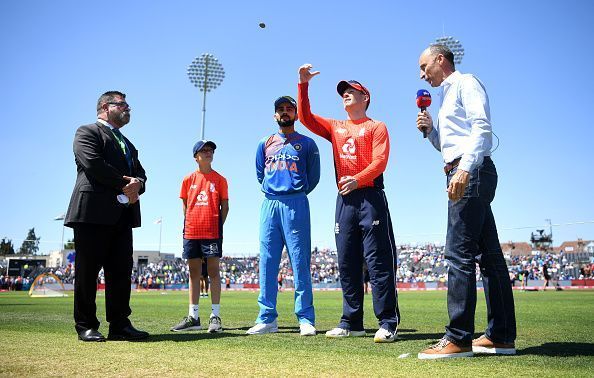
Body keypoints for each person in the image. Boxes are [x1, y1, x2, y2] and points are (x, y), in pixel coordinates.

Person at [415, 44, 516, 359]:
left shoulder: (466, 82)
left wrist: (463, 170)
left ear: (440, 60)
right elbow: (451, 146)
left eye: (424, 66)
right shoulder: (446, 96)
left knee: (458, 255)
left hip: (470, 172)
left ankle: (458, 338)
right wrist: (432, 132)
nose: (421, 74)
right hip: (466, 170)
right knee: (490, 259)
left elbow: (482, 131)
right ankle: (500, 336)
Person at [297, 64, 400, 343]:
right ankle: (351, 321)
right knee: (347, 262)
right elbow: (304, 117)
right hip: (345, 199)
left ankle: (388, 322)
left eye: (351, 91)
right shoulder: (336, 127)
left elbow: (380, 161)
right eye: (343, 92)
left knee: (378, 262)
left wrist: (358, 178)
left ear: (365, 97)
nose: (345, 94)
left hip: (370, 196)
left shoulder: (376, 126)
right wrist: (303, 85)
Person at [64, 90, 148, 342]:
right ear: (104, 106)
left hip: (123, 215)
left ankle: (120, 324)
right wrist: (126, 184)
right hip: (92, 212)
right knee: (88, 273)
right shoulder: (87, 132)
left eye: (128, 105)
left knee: (121, 272)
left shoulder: (129, 144)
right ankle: (86, 325)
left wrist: (138, 184)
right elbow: (93, 164)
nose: (128, 108)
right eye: (122, 104)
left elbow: (142, 174)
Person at [246, 95, 320, 336]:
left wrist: (294, 192)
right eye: (281, 109)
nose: (285, 112)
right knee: (267, 262)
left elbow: (314, 177)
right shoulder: (264, 143)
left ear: (296, 115)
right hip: (269, 204)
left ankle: (306, 318)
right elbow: (260, 174)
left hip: (296, 202)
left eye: (289, 109)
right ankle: (267, 318)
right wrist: (275, 191)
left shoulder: (307, 144)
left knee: (300, 262)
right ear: (275, 115)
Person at [170, 140, 229, 333]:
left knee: (213, 272)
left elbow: (225, 207)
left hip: (212, 232)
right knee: (194, 273)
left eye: (210, 150)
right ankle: (193, 317)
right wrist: (190, 225)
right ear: (196, 157)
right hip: (191, 232)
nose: (208, 152)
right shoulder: (187, 179)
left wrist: (216, 227)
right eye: (203, 150)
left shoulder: (220, 179)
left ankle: (215, 316)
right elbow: (185, 207)